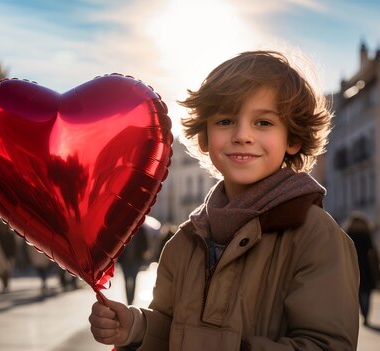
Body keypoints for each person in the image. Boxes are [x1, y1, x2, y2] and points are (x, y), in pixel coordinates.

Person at [89, 50, 360, 350]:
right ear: (204, 138)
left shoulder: (316, 236)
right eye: (226, 120)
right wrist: (137, 327)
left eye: (264, 123)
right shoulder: (183, 242)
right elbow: (170, 327)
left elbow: (326, 345)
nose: (243, 135)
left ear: (293, 139)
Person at [343, 211, 380, 326]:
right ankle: (366, 314)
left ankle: (362, 311)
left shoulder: (348, 233)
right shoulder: (366, 233)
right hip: (367, 267)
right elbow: (372, 250)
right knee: (367, 292)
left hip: (353, 266)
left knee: (358, 292)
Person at [117, 226, 150, 305]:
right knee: (126, 280)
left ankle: (131, 300)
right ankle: (128, 300)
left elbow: (144, 242)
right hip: (124, 261)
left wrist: (144, 252)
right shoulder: (123, 229)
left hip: (136, 260)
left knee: (134, 279)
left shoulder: (140, 228)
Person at [0, 222, 17, 292]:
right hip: (1, 255)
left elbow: (13, 246)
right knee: (2, 271)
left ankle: (5, 284)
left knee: (6, 271)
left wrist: (12, 255)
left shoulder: (10, 235)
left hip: (8, 256)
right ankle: (4, 284)